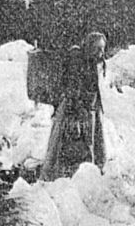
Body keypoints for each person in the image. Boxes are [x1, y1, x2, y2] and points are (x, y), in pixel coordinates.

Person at [40, 32, 107, 181]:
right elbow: (72, 88)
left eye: (102, 49)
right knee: (66, 144)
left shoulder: (92, 62)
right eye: (97, 49)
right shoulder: (77, 61)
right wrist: (77, 112)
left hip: (90, 108)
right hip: (74, 108)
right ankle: (59, 176)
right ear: (88, 47)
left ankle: (92, 172)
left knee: (92, 143)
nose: (100, 53)